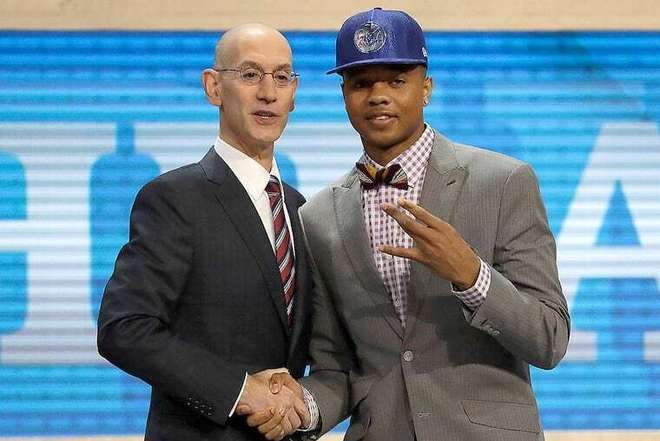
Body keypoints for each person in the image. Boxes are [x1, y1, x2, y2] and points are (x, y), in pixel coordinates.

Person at [249, 8, 570, 441]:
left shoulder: (504, 182)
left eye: (397, 81)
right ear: (344, 95)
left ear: (426, 89)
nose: (378, 96)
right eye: (362, 83)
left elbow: (549, 338)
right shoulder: (317, 218)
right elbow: (336, 367)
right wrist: (299, 406)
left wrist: (470, 275)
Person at [97, 23, 312, 441]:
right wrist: (239, 391)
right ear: (214, 87)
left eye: (282, 76)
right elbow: (124, 328)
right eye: (250, 74)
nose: (268, 92)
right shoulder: (174, 198)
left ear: (294, 93)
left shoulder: (300, 209)